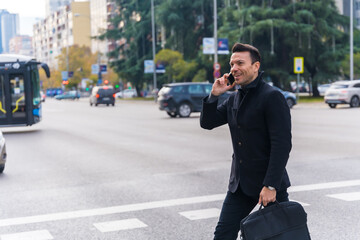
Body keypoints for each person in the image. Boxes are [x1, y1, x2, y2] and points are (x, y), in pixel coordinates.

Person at [200, 43, 292, 240]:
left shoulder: (272, 96)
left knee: (280, 236)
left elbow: (282, 144)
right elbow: (207, 123)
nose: (234, 68)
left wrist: (271, 185)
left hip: (268, 185)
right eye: (232, 63)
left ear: (256, 66)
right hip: (240, 186)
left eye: (240, 63)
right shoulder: (234, 98)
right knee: (223, 234)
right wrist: (214, 95)